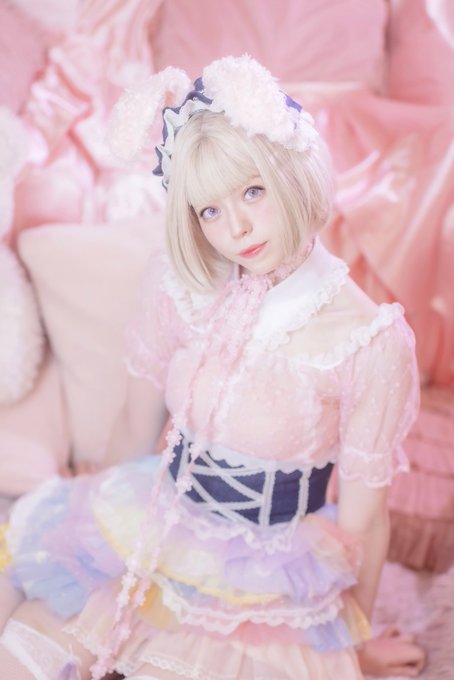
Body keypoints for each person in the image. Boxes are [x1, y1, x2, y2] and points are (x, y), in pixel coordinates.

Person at [0, 55, 426, 679]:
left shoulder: (368, 339)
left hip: (268, 575)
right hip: (154, 519)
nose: (237, 229)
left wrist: (352, 645)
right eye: (210, 210)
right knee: (23, 658)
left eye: (252, 191)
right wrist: (91, 507)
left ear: (291, 170)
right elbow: (136, 425)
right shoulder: (177, 285)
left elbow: (365, 518)